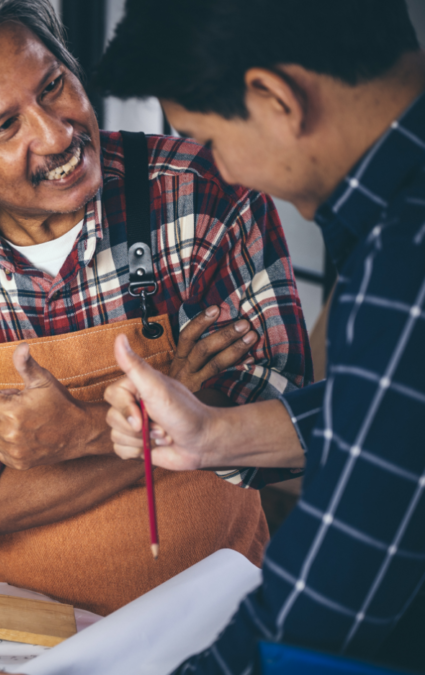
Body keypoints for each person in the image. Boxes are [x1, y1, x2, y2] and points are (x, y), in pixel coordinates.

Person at [0, 0, 312, 616]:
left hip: (221, 616)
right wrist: (177, 398)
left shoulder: (202, 192)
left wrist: (76, 433)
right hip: (24, 638)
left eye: (54, 86)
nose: (56, 133)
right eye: (3, 127)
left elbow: (285, 423)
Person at [89, 0, 425, 671]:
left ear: (275, 97)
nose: (222, 173)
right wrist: (215, 433)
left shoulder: (405, 261)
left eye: (208, 142)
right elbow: (394, 413)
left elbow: (323, 608)